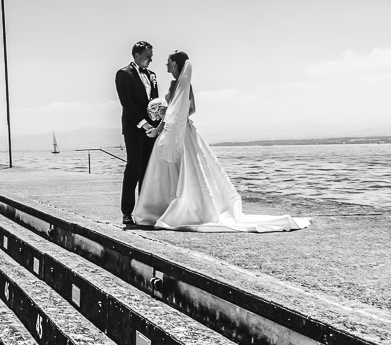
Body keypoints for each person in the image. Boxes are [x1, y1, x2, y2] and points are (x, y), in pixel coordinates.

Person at [131, 49, 309, 233]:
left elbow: (177, 112)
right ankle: (173, 207)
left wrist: (166, 123)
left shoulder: (179, 84)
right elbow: (188, 110)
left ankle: (174, 208)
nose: (166, 64)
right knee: (182, 170)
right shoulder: (181, 84)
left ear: (175, 64)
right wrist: (175, 117)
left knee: (177, 170)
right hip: (179, 129)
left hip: (176, 132)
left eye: (168, 61)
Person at [114, 41, 160, 227]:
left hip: (151, 130)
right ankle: (127, 212)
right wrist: (143, 124)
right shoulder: (123, 74)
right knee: (133, 168)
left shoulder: (152, 75)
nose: (151, 60)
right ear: (137, 55)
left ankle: (143, 211)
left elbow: (155, 102)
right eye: (148, 56)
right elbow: (127, 103)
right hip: (134, 128)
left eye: (151, 56)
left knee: (147, 169)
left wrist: (156, 124)